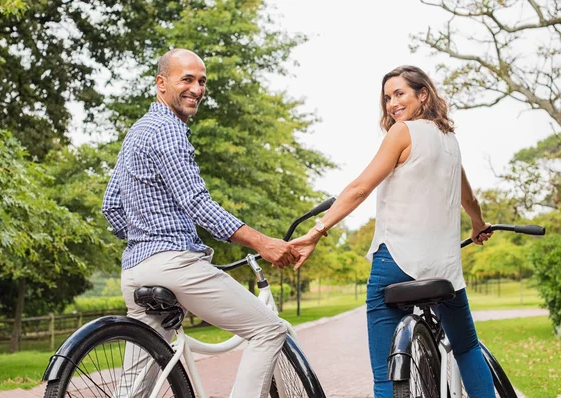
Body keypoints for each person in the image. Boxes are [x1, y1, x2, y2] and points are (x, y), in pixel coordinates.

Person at [102, 48, 300, 397]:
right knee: (269, 329)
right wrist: (263, 243)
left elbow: (111, 206)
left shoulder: (137, 132)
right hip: (175, 264)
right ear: (161, 83)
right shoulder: (168, 129)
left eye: (202, 81)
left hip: (135, 270)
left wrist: (144, 238)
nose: (197, 88)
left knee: (133, 390)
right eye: (187, 79)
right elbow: (197, 203)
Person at [291, 65, 496, 397]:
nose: (391, 104)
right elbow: (468, 197)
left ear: (423, 94)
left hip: (395, 264)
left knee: (385, 375)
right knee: (467, 348)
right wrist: (478, 224)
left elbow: (359, 188)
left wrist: (317, 230)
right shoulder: (450, 142)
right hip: (444, 269)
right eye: (387, 97)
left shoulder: (403, 132)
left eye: (399, 93)